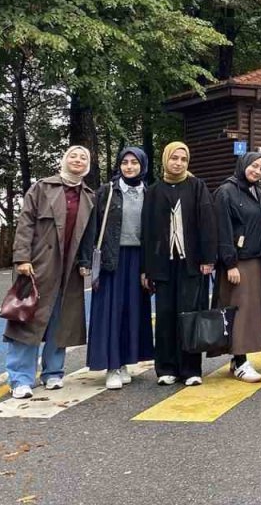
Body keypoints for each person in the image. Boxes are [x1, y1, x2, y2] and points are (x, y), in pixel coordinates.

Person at [5, 146, 95, 399]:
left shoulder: (89, 195)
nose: (78, 160)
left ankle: (53, 372)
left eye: (83, 157)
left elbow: (89, 233)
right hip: (39, 263)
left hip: (70, 267)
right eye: (73, 156)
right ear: (64, 161)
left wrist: (85, 260)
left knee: (61, 320)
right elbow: (25, 222)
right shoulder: (42, 188)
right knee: (27, 318)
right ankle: (20, 378)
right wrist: (21, 257)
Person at [144, 142, 217, 386]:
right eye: (174, 158)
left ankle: (191, 369)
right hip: (163, 264)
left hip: (192, 264)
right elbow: (147, 230)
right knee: (165, 315)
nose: (178, 163)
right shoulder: (154, 190)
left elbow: (207, 222)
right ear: (165, 159)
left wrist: (208, 258)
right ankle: (166, 368)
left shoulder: (197, 187)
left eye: (183, 159)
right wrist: (147, 268)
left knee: (189, 315)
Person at [85, 147, 155, 390]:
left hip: (139, 259)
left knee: (131, 312)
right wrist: (85, 261)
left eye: (134, 162)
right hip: (112, 259)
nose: (129, 167)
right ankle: (111, 366)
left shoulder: (149, 191)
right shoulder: (107, 191)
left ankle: (124, 362)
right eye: (124, 162)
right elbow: (92, 227)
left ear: (142, 165)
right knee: (111, 314)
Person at [214, 152, 261, 383]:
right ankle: (239, 361)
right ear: (243, 165)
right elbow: (223, 229)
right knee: (239, 310)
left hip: (258, 259)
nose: (257, 171)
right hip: (239, 262)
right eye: (254, 166)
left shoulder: (257, 191)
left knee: (250, 312)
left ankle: (238, 359)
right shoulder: (226, 192)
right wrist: (230, 263)